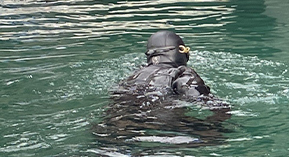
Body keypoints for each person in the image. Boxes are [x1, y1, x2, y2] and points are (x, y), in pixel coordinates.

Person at [93, 30, 230, 146]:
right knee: (217, 137)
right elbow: (200, 97)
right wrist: (220, 116)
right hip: (159, 124)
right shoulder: (181, 72)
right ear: (181, 51)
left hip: (115, 125)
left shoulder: (133, 75)